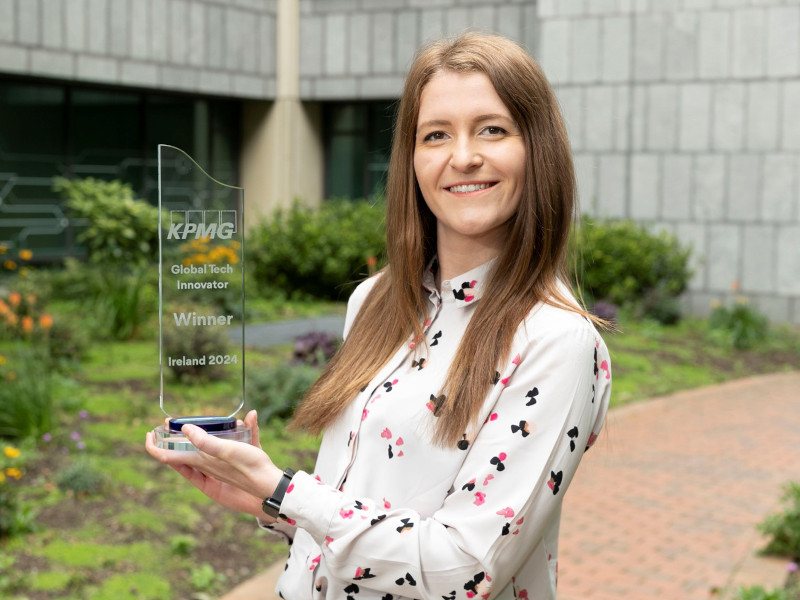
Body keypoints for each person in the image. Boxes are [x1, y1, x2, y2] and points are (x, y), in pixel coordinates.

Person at [146, 31, 612, 600]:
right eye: (435, 135)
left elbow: (466, 568)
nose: (462, 156)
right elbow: (366, 515)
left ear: (536, 148)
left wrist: (286, 490)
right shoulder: (373, 301)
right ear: (411, 159)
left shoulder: (556, 339)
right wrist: (267, 499)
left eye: (492, 128)